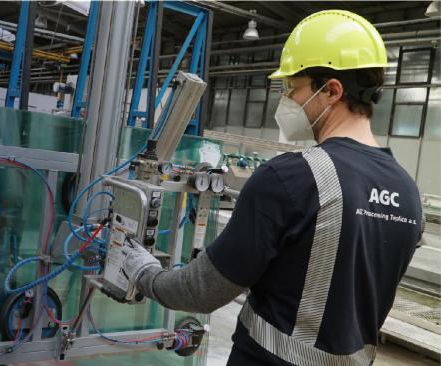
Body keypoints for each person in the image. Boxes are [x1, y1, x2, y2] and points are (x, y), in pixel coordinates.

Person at [121, 10, 424, 366]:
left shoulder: (291, 178)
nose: (288, 102)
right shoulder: (408, 193)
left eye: (293, 89)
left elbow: (202, 292)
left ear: (331, 91)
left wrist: (144, 274)